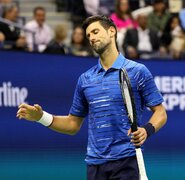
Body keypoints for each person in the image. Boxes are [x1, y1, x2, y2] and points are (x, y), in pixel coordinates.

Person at [16, 15, 167, 180]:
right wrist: (40, 117)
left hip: (127, 161)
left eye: (95, 32)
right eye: (88, 35)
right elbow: (73, 124)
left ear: (112, 31)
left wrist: (146, 129)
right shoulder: (85, 79)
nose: (92, 38)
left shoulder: (138, 71)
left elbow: (160, 112)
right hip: (95, 166)